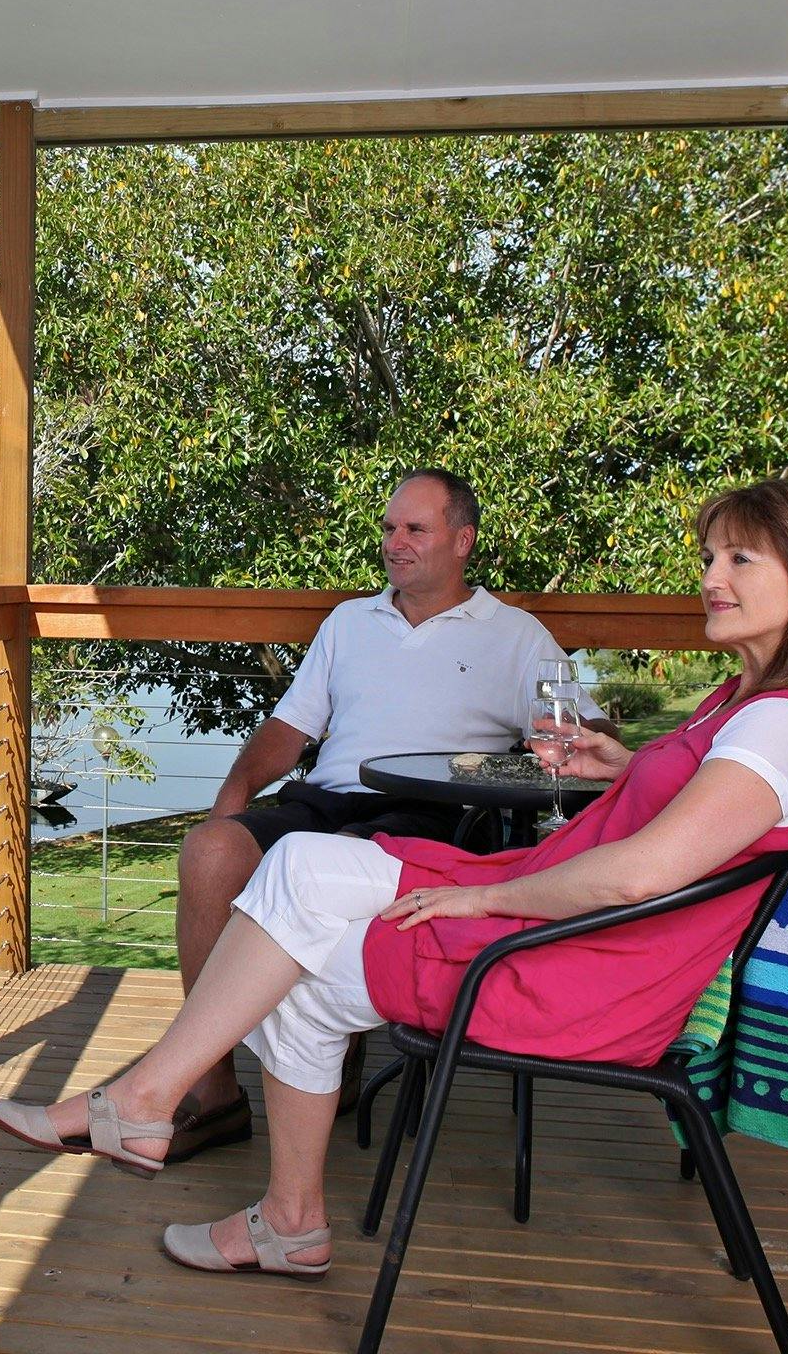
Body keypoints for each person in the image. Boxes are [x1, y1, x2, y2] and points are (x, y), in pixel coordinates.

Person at [0, 478, 788, 1279]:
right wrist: (624, 767)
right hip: (577, 939)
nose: (710, 577)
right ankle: (190, 1130)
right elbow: (705, 813)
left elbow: (642, 873)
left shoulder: (779, 723)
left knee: (299, 950)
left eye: (740, 557)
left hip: (573, 973)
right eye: (708, 555)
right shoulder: (751, 707)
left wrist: (486, 895)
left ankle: (234, 1174)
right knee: (292, 877)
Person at [169, 468, 609, 1153]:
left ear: (462, 541)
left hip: (436, 816)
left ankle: (327, 1040)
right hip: (327, 796)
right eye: (388, 528)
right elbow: (289, 731)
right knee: (210, 853)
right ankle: (215, 1091)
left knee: (315, 871)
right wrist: (228, 805)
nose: (394, 543)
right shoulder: (350, 621)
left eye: (415, 529)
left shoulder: (518, 637)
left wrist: (540, 754)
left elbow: (588, 740)